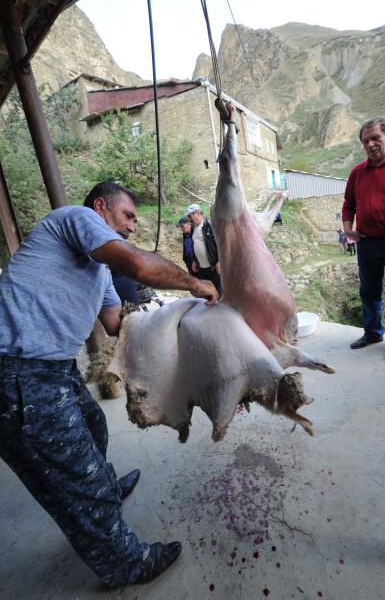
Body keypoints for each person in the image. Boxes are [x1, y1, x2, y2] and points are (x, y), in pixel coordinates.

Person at [0, 182, 218, 588]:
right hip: (16, 370)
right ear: (101, 208)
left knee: (94, 425)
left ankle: (105, 488)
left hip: (50, 367)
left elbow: (119, 321)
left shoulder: (98, 270)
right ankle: (124, 563)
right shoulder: (75, 218)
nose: (133, 227)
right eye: (128, 216)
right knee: (76, 477)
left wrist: (176, 318)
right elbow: (136, 263)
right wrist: (192, 284)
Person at [342, 116, 385, 361]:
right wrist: (348, 228)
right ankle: (372, 333)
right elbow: (349, 204)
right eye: (365, 141)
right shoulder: (358, 172)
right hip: (366, 242)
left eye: (375, 138)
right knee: (368, 291)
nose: (370, 145)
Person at [185, 203, 223, 296]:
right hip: (202, 268)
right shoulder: (193, 228)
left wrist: (220, 261)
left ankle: (219, 308)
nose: (189, 219)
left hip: (213, 267)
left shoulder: (210, 225)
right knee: (207, 291)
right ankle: (210, 309)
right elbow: (195, 245)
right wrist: (195, 260)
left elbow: (220, 244)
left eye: (190, 216)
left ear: (197, 213)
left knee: (218, 291)